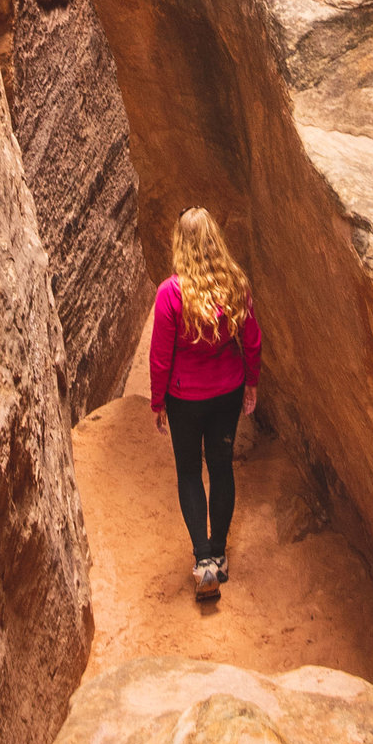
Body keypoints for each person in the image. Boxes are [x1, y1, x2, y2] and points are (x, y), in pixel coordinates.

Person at [148, 205, 262, 600]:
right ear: (215, 240)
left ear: (181, 244)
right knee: (221, 467)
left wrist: (157, 400)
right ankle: (220, 552)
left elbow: (160, 355)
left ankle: (203, 562)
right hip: (226, 393)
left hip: (185, 399)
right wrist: (251, 383)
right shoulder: (235, 285)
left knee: (189, 473)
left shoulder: (171, 294)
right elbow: (252, 340)